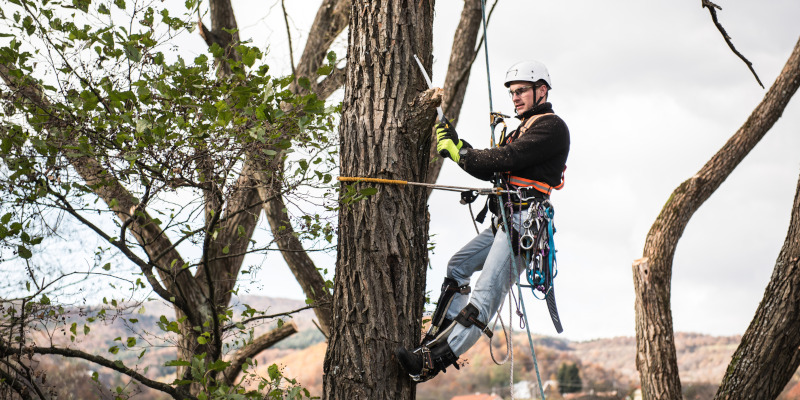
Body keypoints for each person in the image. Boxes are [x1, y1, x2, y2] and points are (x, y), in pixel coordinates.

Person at [395, 60, 570, 382]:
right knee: (458, 266)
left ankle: (430, 361)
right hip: (505, 220)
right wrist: (459, 145)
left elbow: (506, 159)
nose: (515, 98)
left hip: (523, 226)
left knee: (485, 295)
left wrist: (459, 152)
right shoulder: (523, 128)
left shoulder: (551, 127)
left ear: (541, 90)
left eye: (521, 92)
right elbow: (493, 165)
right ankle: (441, 335)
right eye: (512, 93)